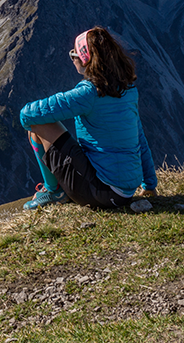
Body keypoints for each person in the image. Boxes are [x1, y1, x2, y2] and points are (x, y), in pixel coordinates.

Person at [19, 27, 158, 210]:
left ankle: (53, 191)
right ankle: (56, 190)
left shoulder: (89, 93)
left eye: (73, 54)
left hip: (100, 193)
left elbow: (26, 115)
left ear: (85, 59)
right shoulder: (128, 89)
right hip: (124, 194)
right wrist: (149, 185)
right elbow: (140, 140)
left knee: (38, 125)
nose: (72, 58)